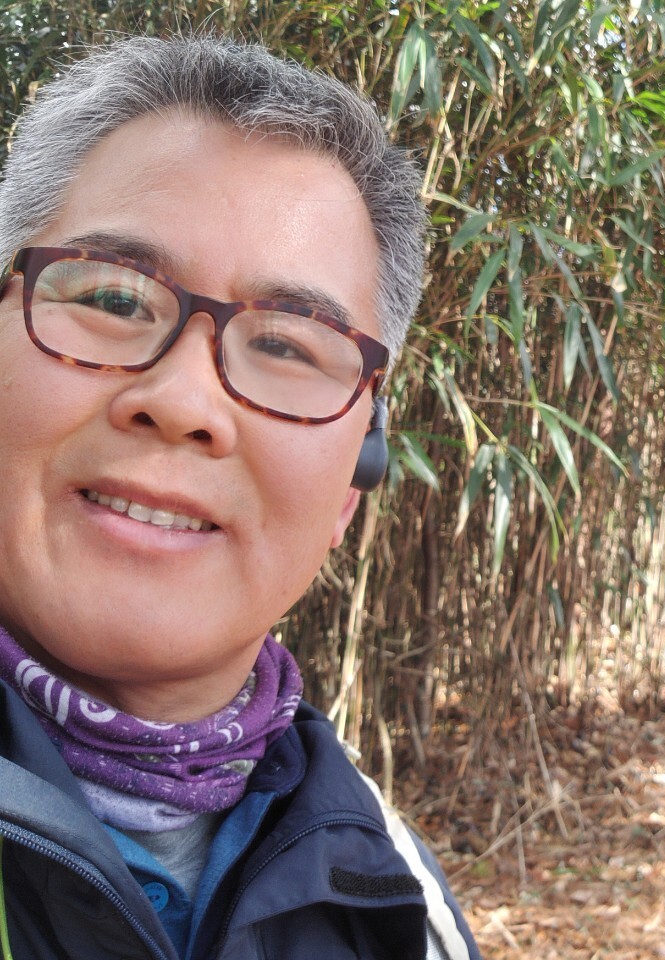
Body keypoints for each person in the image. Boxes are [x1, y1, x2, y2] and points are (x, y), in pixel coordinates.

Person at [0, 34, 482, 960]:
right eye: (112, 298)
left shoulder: (401, 903)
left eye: (288, 346)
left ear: (353, 483)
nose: (184, 403)